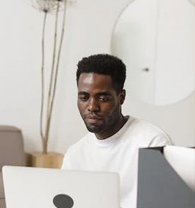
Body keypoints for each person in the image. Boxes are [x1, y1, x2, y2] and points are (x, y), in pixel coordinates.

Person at [61, 54, 172, 208]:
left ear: (121, 97)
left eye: (102, 98)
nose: (92, 107)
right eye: (84, 97)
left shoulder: (152, 143)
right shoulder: (74, 155)